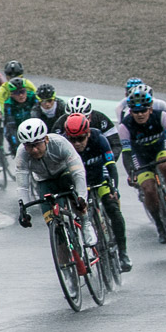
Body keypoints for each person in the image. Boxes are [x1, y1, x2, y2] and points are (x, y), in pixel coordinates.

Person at [59, 113, 131, 271]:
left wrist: (114, 188)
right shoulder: (63, 145)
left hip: (99, 178)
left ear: (88, 133)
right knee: (76, 215)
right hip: (78, 183)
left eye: (81, 138)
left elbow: (111, 166)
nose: (77, 143)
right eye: (73, 139)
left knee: (113, 208)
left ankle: (123, 252)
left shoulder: (99, 139)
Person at [117, 89, 166, 244]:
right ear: (131, 112)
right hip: (140, 157)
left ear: (150, 109)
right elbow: (126, 154)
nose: (140, 114)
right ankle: (160, 225)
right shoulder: (125, 126)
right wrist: (132, 173)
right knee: (148, 188)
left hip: (160, 150)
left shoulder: (161, 116)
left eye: (143, 111)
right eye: (136, 111)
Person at [14, 118, 90, 244]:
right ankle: (65, 261)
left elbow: (78, 171)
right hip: (44, 181)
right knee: (54, 229)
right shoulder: (22, 154)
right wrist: (24, 210)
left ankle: (86, 222)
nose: (34, 150)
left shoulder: (59, 143)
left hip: (63, 173)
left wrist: (81, 197)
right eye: (29, 146)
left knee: (73, 195)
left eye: (37, 144)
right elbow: (23, 186)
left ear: (46, 140)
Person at [55, 95, 120, 155]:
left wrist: (108, 161)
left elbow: (115, 144)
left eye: (84, 118)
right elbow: (53, 148)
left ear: (90, 115)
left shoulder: (100, 119)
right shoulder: (60, 122)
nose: (78, 122)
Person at [2, 77, 38, 155]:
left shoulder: (32, 97)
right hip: (18, 130)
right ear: (11, 94)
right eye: (17, 93)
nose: (21, 95)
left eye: (23, 91)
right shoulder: (9, 104)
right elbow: (11, 126)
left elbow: (40, 116)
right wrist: (16, 146)